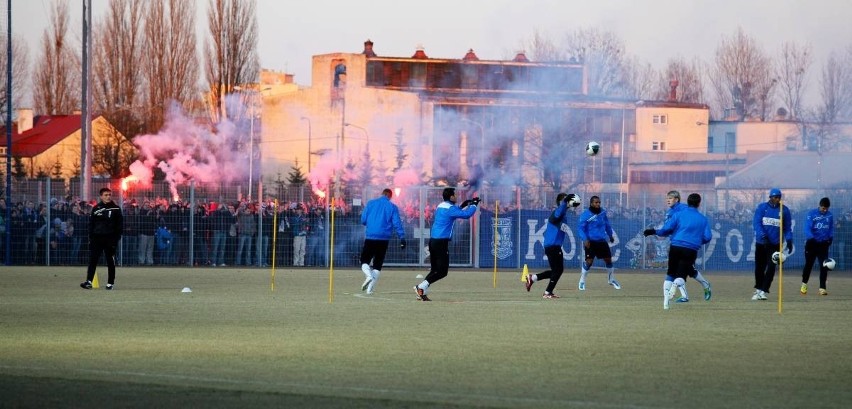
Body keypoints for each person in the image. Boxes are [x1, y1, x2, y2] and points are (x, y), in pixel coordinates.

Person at [644, 193, 711, 310]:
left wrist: (654, 231)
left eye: (670, 198)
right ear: (699, 204)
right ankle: (694, 287)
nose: (668, 200)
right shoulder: (703, 219)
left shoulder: (678, 214)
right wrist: (696, 241)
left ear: (685, 201)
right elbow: (708, 237)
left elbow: (666, 229)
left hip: (676, 246)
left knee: (671, 273)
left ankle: (666, 302)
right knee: (683, 273)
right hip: (691, 249)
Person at [414, 188, 479, 301]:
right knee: (443, 271)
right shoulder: (450, 208)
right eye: (455, 195)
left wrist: (463, 205)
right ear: (451, 197)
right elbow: (467, 215)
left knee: (435, 270)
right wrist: (474, 205)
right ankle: (420, 287)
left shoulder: (441, 206)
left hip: (433, 241)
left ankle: (421, 290)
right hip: (440, 243)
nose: (457, 196)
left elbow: (452, 213)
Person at [525, 192, 581, 298]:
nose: (567, 201)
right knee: (558, 270)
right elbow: (558, 212)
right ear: (561, 202)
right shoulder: (557, 212)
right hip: (553, 246)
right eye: (565, 200)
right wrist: (565, 201)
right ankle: (547, 293)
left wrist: (568, 204)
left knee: (556, 271)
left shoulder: (562, 214)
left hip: (552, 246)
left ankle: (533, 278)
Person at [663, 190, 712, 301]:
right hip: (677, 244)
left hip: (684, 246)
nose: (668, 200)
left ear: (677, 199)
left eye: (670, 198)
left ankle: (703, 285)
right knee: (685, 270)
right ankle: (688, 294)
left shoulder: (683, 209)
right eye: (667, 198)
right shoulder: (671, 211)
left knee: (685, 271)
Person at [359, 188, 406, 295]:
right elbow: (397, 223)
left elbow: (363, 220)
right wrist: (402, 237)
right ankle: (370, 289)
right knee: (378, 264)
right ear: (390, 196)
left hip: (371, 237)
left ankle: (368, 276)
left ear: (381, 194)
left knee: (364, 260)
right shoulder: (392, 207)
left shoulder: (371, 203)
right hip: (384, 239)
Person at [751, 188, 793, 301]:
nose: (777, 199)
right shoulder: (762, 207)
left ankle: (764, 290)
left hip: (775, 244)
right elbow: (756, 223)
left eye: (779, 197)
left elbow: (787, 228)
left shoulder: (784, 210)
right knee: (759, 268)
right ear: (770, 197)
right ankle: (758, 288)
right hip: (761, 242)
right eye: (775, 197)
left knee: (771, 267)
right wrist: (763, 235)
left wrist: (789, 240)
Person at [80, 188, 123, 290]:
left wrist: (116, 239)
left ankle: (110, 283)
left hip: (110, 239)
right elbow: (91, 224)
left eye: (109, 194)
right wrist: (91, 238)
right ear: (101, 196)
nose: (108, 197)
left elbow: (119, 226)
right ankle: (89, 281)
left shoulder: (116, 209)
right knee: (93, 260)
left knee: (110, 261)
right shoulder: (96, 208)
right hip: (97, 239)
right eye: (105, 195)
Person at [576, 195, 620, 291]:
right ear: (591, 203)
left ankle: (611, 279)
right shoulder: (585, 215)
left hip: (601, 241)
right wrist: (585, 239)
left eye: (599, 202)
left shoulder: (603, 212)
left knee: (608, 260)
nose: (598, 204)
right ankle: (582, 281)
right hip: (590, 242)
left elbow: (607, 224)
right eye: (596, 202)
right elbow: (580, 228)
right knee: (589, 262)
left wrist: (610, 235)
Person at [801, 197, 834, 296]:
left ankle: (822, 288)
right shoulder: (811, 214)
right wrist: (810, 238)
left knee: (824, 266)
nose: (825, 210)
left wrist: (830, 237)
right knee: (808, 265)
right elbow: (807, 227)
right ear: (820, 206)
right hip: (811, 243)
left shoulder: (830, 215)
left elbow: (831, 228)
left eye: (826, 208)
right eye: (823, 208)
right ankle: (804, 284)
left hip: (823, 244)